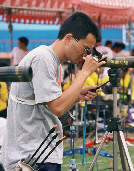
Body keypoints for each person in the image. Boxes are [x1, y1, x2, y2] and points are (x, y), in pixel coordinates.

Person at [0, 12, 106, 170]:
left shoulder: (52, 61)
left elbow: (49, 103)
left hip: (38, 152)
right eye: (85, 49)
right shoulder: (43, 58)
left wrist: (76, 96)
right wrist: (84, 73)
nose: (85, 56)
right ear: (69, 38)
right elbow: (57, 108)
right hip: (34, 156)